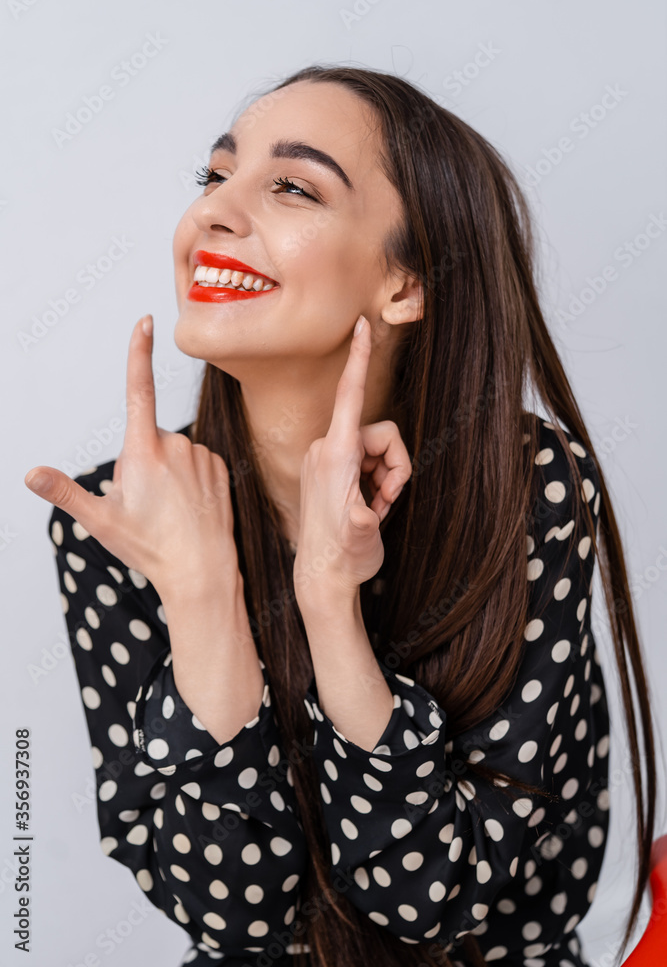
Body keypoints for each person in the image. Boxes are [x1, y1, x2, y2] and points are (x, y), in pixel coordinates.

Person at [25, 64, 656, 967]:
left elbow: (431, 902)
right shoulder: (114, 520)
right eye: (213, 177)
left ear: (403, 285)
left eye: (290, 186)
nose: (212, 212)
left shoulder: (530, 489)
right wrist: (202, 596)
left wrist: (330, 604)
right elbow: (234, 917)